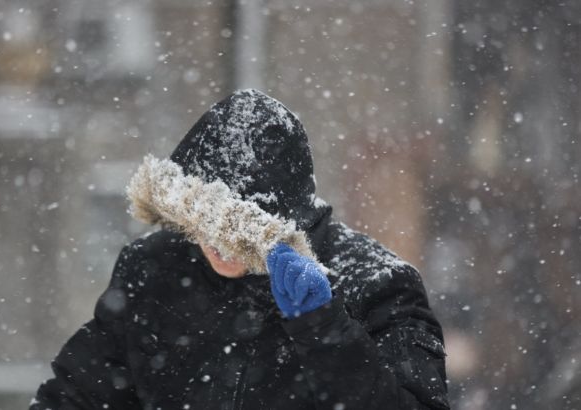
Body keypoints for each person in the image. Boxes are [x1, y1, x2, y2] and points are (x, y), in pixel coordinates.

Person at [30, 89, 450, 409]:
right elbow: (75, 397)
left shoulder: (377, 284)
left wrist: (325, 330)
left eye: (240, 235)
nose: (217, 246)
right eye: (202, 225)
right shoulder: (154, 269)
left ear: (286, 223)